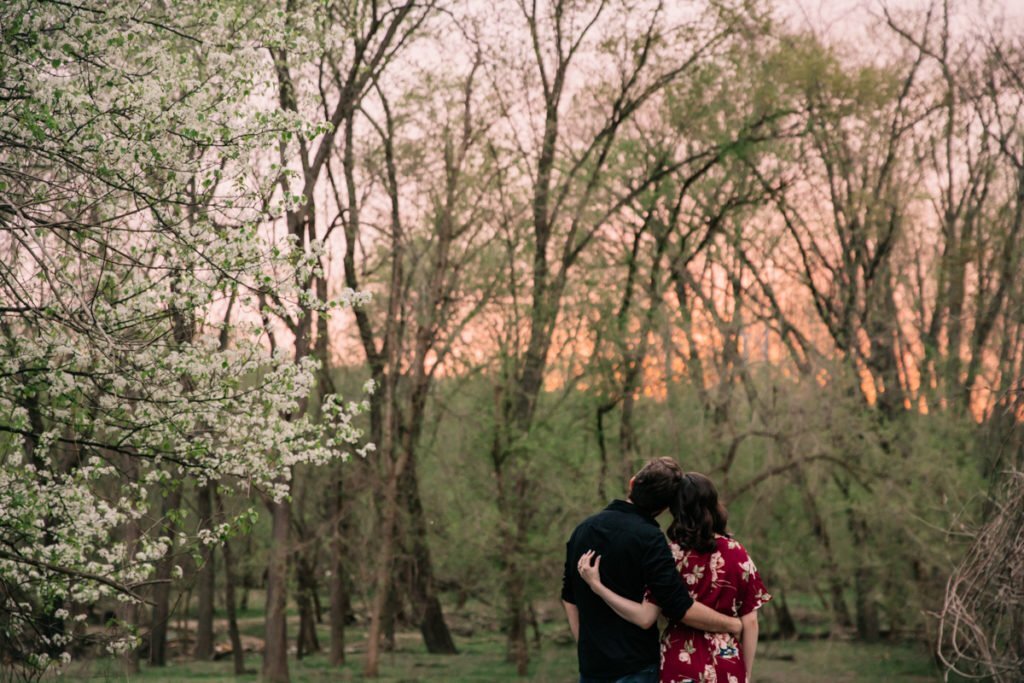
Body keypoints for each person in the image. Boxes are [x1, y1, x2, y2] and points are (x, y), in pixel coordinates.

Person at [578, 472, 771, 683]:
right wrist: (747, 672)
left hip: (679, 663)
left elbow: (645, 616)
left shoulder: (668, 556)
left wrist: (598, 586)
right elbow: (750, 622)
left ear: (674, 510)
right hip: (726, 663)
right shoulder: (737, 553)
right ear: (714, 503)